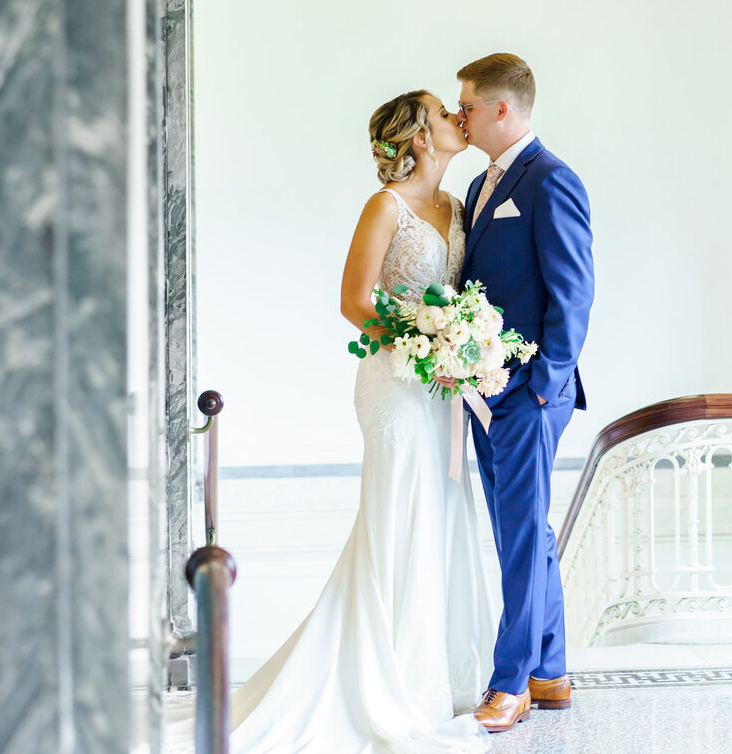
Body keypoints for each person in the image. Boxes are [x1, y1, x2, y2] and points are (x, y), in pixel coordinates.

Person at [169, 90, 497, 753]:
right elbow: (354, 300)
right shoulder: (386, 207)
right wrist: (427, 341)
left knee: (440, 515)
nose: (455, 117)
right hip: (394, 386)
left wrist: (461, 344)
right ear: (419, 136)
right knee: (400, 517)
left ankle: (440, 675)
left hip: (440, 391)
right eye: (442, 111)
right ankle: (392, 684)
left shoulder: (457, 208)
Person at [455, 54, 594, 733]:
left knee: (516, 537)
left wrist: (542, 388)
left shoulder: (550, 180)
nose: (460, 116)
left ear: (501, 109)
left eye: (468, 106)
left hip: (527, 394)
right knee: (525, 532)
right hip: (485, 392)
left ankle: (509, 683)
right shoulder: (483, 183)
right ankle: (551, 670)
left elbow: (573, 294)